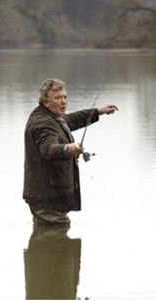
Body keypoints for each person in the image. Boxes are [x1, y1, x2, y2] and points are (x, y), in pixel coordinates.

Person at [23, 78, 118, 226]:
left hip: (49, 194)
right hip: (47, 197)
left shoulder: (53, 117)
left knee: (50, 237)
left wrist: (99, 111)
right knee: (56, 234)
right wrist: (69, 148)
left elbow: (71, 120)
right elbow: (48, 149)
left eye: (65, 97)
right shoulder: (42, 123)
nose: (63, 101)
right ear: (45, 101)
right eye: (58, 98)